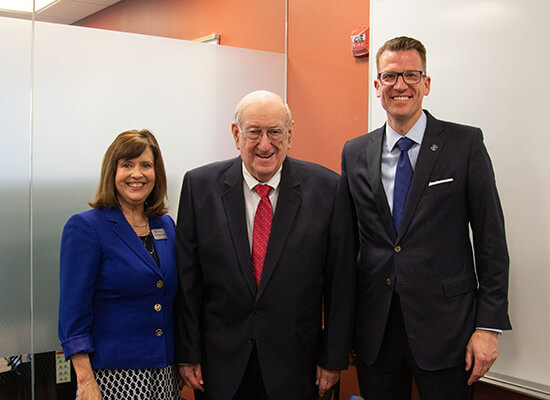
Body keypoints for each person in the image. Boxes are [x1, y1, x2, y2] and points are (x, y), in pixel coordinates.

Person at [340, 36, 511, 399]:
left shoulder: (464, 145)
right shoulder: (355, 153)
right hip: (376, 333)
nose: (400, 85)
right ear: (377, 86)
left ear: (426, 83)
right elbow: (348, 247)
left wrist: (489, 327)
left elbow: (490, 239)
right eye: (390, 76)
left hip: (449, 332)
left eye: (411, 75)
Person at [174, 90, 355, 400]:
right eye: (254, 132)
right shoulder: (199, 187)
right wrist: (188, 353)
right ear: (236, 134)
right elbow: (188, 281)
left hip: (299, 367)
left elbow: (341, 282)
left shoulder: (328, 189)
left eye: (275, 132)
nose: (265, 144)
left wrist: (332, 358)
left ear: (290, 134)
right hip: (220, 366)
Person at [58, 129, 179, 400]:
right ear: (112, 171)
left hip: (165, 374)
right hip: (113, 375)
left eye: (146, 165)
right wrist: (85, 381)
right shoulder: (86, 227)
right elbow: (72, 316)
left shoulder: (166, 226)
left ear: (156, 173)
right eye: (127, 165)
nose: (137, 174)